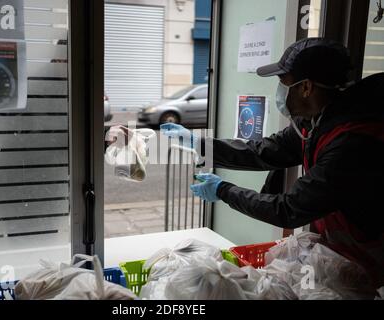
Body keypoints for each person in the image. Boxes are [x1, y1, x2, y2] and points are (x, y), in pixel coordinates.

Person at [160, 38, 384, 287]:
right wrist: (199, 144)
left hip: (364, 256)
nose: (280, 91)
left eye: (283, 83)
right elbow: (264, 151)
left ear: (306, 87)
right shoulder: (315, 121)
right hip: (336, 248)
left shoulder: (351, 142)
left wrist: (223, 191)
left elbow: (290, 209)